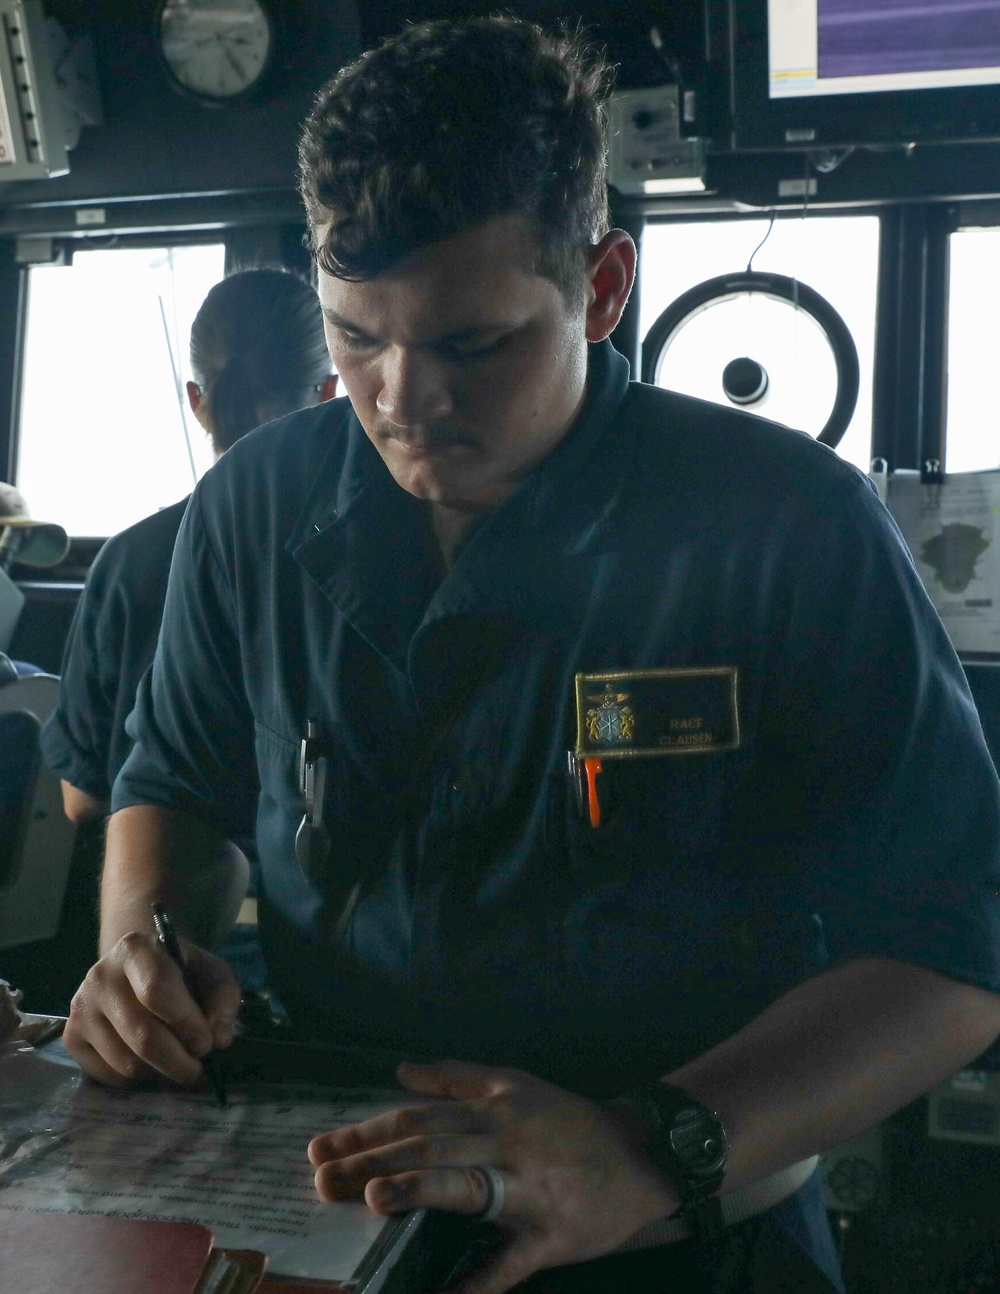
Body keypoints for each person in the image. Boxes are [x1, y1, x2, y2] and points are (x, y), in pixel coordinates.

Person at [63, 17, 1000, 1294]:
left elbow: (949, 955)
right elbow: (172, 785)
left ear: (601, 288)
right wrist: (143, 956)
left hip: (683, 1220)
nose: (401, 401)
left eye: (471, 345)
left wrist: (647, 1146)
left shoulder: (788, 524)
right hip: (335, 1196)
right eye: (354, 337)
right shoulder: (254, 509)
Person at [40, 267, 337, 824]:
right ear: (328, 391)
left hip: (161, 887)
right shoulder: (365, 556)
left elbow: (80, 800)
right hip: (312, 898)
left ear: (196, 398)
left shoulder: (129, 563)